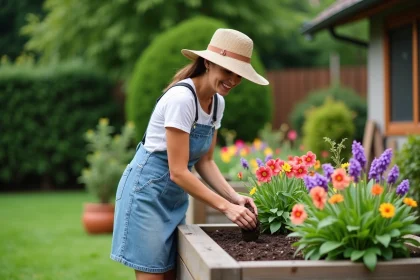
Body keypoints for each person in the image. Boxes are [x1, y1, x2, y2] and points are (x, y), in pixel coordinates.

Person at [110, 28, 269, 280]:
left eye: (239, 74)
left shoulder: (217, 102)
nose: (233, 80)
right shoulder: (182, 99)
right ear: (208, 62)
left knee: (173, 274)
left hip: (173, 198)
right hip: (146, 195)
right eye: (227, 70)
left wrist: (234, 197)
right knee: (153, 275)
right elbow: (179, 171)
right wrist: (226, 208)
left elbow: (205, 161)